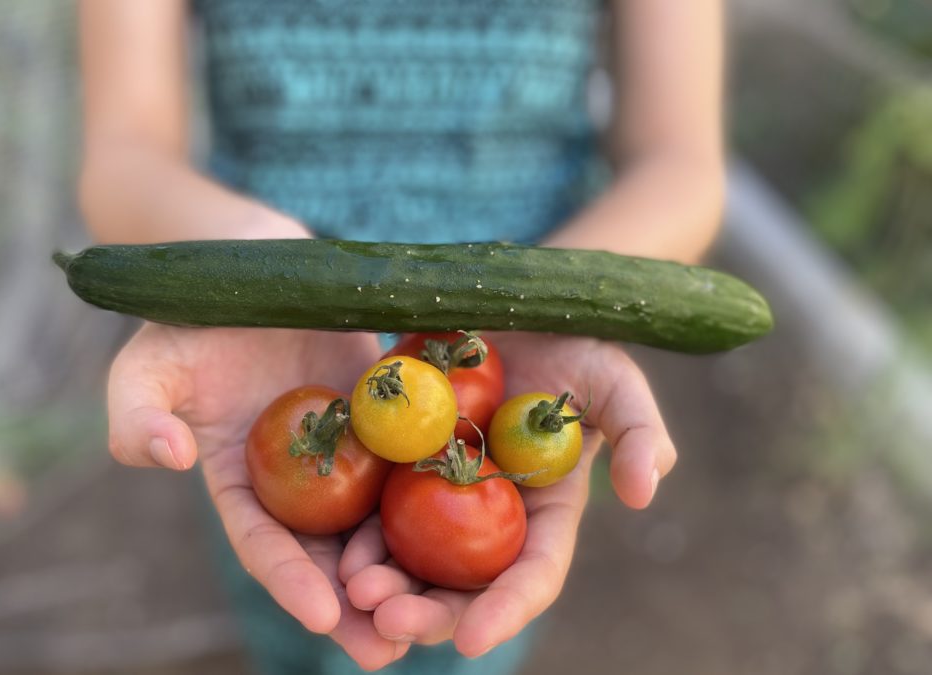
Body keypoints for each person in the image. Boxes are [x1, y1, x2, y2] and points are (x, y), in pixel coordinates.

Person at [77, 0, 723, 672]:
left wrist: (559, 306)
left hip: (506, 365)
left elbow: (681, 165)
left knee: (456, 645)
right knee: (290, 628)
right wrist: (242, 259)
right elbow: (123, 157)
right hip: (270, 357)